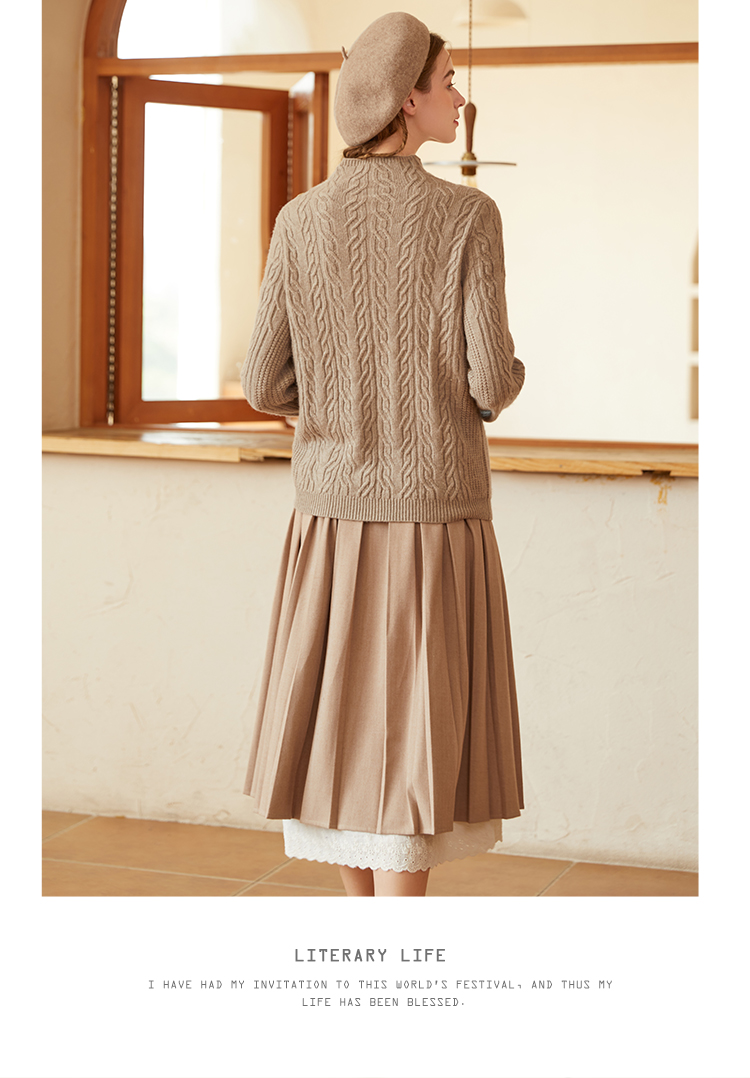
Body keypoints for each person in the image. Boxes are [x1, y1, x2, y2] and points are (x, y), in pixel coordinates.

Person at [241, 11, 525, 897]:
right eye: (447, 82)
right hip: (435, 518)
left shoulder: (300, 218)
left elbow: (261, 382)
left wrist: (338, 410)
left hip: (329, 519)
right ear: (408, 99)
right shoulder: (468, 215)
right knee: (416, 733)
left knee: (343, 729)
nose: (459, 97)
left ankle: (369, 941)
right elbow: (491, 379)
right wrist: (504, 380)